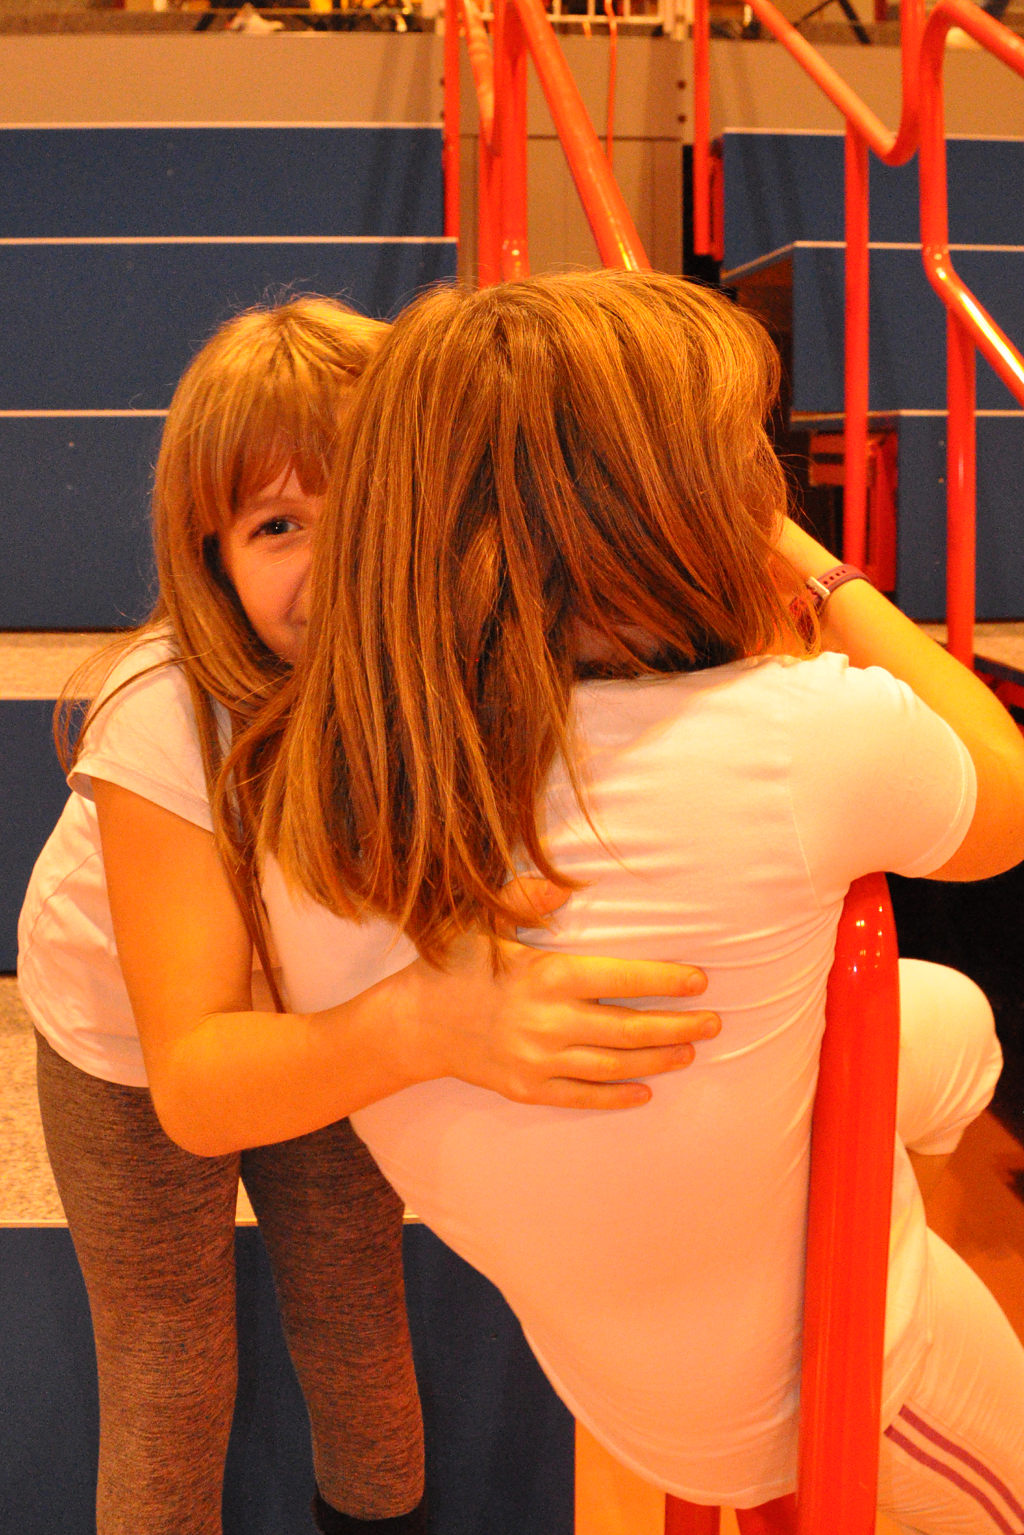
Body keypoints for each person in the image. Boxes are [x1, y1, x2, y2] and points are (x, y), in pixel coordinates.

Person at [248, 271, 1024, 1532]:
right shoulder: (785, 741)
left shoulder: (322, 771)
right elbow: (1006, 793)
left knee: (942, 1024)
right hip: (796, 1385)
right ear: (663, 510)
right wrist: (818, 570)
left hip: (615, 1354)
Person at [16, 293, 720, 1535]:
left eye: (370, 505)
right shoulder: (164, 716)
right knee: (169, 1363)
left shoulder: (452, 664)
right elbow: (196, 1080)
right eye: (277, 524)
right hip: (131, 1045)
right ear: (210, 556)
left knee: (354, 1320)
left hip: (328, 1004)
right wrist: (421, 1019)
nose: (335, 558)